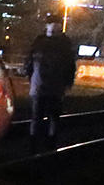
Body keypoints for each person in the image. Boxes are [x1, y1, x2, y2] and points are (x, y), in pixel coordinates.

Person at [26, 15, 78, 151]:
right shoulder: (65, 44)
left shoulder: (39, 42)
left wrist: (30, 79)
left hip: (41, 86)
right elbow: (71, 66)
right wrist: (68, 83)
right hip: (53, 87)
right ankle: (49, 146)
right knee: (51, 118)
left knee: (39, 117)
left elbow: (29, 63)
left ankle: (34, 146)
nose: (53, 27)